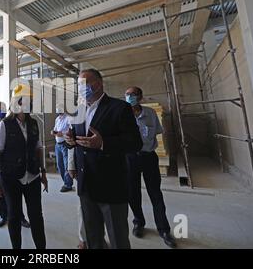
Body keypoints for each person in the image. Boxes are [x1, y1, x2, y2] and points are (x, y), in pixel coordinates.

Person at [64, 69, 143, 249]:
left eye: (83, 84)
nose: (80, 88)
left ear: (97, 84)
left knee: (118, 240)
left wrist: (103, 143)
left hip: (111, 187)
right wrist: (70, 141)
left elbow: (135, 143)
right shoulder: (79, 111)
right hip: (86, 188)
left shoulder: (119, 108)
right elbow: (76, 142)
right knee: (93, 240)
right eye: (78, 85)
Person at [0, 84, 48, 249]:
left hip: (32, 176)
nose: (27, 103)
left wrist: (43, 172)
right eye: (23, 99)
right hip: (10, 178)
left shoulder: (33, 123)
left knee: (36, 215)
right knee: (14, 215)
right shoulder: (4, 124)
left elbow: (38, 148)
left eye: (29, 100)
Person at [124, 86, 177, 248]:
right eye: (127, 94)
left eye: (133, 94)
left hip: (148, 157)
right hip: (130, 158)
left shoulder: (151, 113)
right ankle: (138, 222)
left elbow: (156, 133)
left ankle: (164, 229)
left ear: (140, 96)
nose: (130, 97)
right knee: (133, 193)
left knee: (155, 193)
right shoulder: (122, 115)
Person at [0, 102, 30, 229]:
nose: (0, 110)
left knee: (15, 198)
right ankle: (3, 216)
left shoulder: (13, 123)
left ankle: (21, 217)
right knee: (0, 194)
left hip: (13, 165)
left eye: (2, 108)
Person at [51, 104, 73, 192]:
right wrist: (53, 132)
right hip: (58, 144)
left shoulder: (68, 118)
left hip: (65, 144)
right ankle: (65, 182)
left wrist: (63, 134)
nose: (58, 112)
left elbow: (71, 130)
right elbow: (55, 129)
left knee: (66, 164)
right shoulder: (57, 119)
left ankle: (68, 184)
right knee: (60, 165)